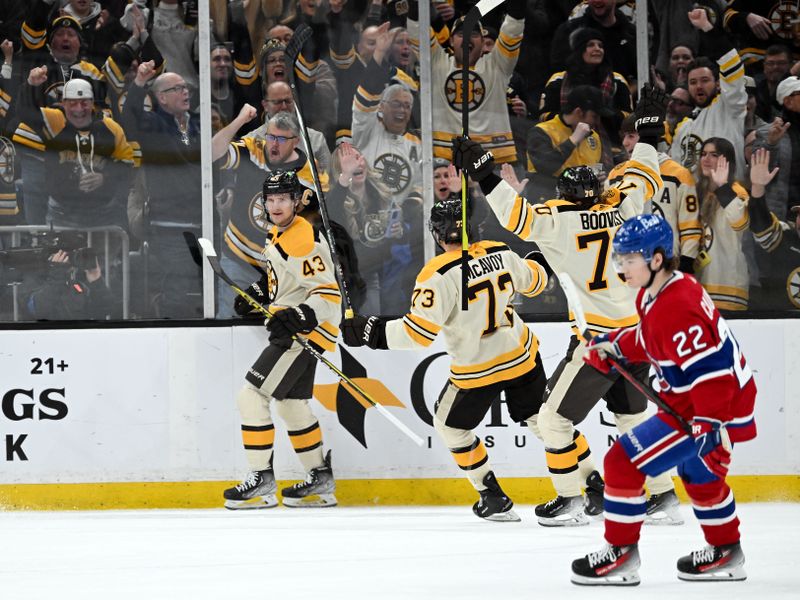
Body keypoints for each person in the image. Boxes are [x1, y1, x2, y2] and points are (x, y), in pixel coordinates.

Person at [456, 86, 681, 527]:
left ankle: (570, 500)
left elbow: (514, 216)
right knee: (632, 420)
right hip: (637, 336)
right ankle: (664, 497)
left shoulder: (557, 221)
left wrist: (482, 172)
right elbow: (644, 169)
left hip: (599, 343)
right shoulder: (626, 206)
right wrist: (651, 130)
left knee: (553, 421)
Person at [570, 213, 757, 585]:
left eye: (629, 259)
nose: (622, 267)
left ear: (656, 259)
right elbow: (652, 339)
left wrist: (710, 425)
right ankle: (727, 552)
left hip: (706, 408)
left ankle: (620, 554)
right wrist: (615, 347)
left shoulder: (678, 304)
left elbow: (712, 372)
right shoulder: (661, 291)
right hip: (710, 402)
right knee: (699, 475)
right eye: (620, 259)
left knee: (622, 462)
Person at [341, 196, 551, 522]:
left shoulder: (436, 274)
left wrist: (371, 332)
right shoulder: (501, 251)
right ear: (472, 228)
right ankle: (589, 483)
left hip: (476, 368)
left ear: (437, 236)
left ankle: (491, 495)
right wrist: (545, 254)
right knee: (546, 423)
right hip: (520, 355)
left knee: (449, 425)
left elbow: (417, 334)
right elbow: (537, 281)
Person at [224, 170, 341, 510]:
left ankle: (261, 479)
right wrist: (260, 292)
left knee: (251, 396)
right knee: (291, 404)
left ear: (295, 201)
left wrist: (298, 316)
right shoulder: (281, 232)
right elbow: (288, 277)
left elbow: (328, 294)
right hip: (296, 329)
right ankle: (320, 480)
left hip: (301, 334)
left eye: (282, 199)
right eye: (270, 199)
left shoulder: (301, 238)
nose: (275, 206)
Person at [121, 59, 203, 318]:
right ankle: (169, 331)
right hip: (169, 224)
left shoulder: (196, 124)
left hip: (203, 220)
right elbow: (129, 121)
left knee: (204, 286)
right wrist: (138, 83)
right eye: (177, 88)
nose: (185, 92)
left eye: (185, 87)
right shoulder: (154, 125)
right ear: (162, 98)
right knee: (179, 287)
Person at [407, 0, 527, 163]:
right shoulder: (436, 63)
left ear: (484, 42)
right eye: (461, 35)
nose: (467, 39)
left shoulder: (498, 65)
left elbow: (513, 28)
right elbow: (416, 29)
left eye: (474, 34)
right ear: (451, 41)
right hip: (447, 159)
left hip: (495, 157)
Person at [16, 69, 135, 230]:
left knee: (103, 256)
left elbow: (127, 165)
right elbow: (24, 112)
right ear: (63, 103)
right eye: (72, 103)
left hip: (103, 213)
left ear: (92, 103)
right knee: (61, 255)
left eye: (84, 103)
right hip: (62, 214)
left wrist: (105, 177)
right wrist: (30, 85)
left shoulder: (110, 128)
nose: (79, 109)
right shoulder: (55, 121)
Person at [609, 115, 701, 274]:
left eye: (631, 136)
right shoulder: (615, 175)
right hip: (626, 266)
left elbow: (690, 228)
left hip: (666, 266)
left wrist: (686, 263)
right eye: (624, 136)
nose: (625, 143)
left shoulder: (679, 175)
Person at [670, 8, 747, 180]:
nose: (698, 86)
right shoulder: (683, 127)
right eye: (693, 82)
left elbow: (732, 65)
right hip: (693, 203)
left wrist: (708, 28)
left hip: (730, 199)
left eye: (704, 80)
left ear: (718, 83)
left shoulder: (730, 106)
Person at [539, 27, 632, 144]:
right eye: (590, 45)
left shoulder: (617, 80)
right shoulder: (558, 80)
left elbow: (629, 119)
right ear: (579, 49)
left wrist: (602, 114)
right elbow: (543, 117)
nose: (597, 49)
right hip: (564, 145)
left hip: (610, 148)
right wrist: (572, 118)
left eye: (600, 46)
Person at [525, 85, 611, 203]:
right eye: (594, 116)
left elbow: (598, 168)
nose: (597, 122)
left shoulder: (594, 137)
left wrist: (598, 179)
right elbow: (545, 167)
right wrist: (573, 140)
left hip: (584, 206)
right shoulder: (541, 131)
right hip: (548, 204)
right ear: (578, 112)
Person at [694, 137, 750, 310]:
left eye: (714, 155)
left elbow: (740, 225)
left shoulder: (737, 192)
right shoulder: (695, 192)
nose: (706, 159)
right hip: (698, 284)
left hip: (728, 286)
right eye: (703, 154)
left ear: (727, 161)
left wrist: (722, 187)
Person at [747, 148, 800, 309]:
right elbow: (760, 225)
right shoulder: (784, 238)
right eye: (798, 214)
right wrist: (757, 188)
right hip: (778, 326)